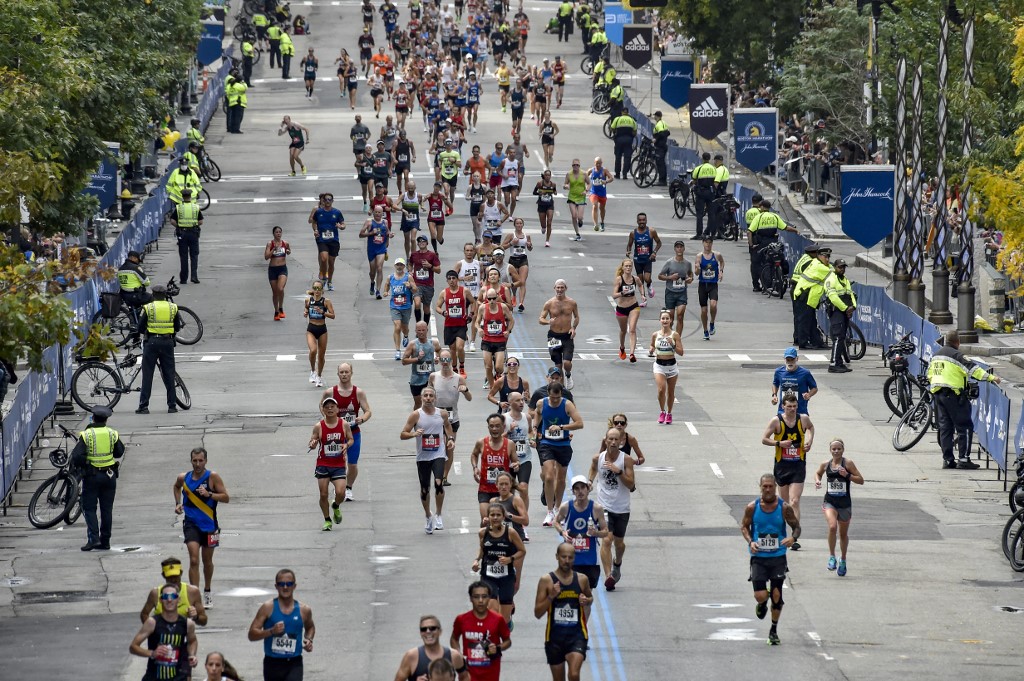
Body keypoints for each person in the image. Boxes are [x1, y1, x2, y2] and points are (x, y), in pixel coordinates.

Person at [740, 473, 801, 646]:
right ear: (760, 487)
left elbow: (796, 527)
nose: (767, 489)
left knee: (776, 594)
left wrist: (793, 538)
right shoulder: (752, 507)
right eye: (764, 486)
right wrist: (750, 541)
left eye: (770, 486)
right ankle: (762, 602)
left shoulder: (784, 507)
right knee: (760, 595)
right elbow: (744, 526)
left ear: (775, 487)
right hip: (758, 557)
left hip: (778, 556)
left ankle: (773, 631)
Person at [928, 329, 1002, 470]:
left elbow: (929, 374)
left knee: (945, 428)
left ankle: (948, 460)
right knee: (965, 427)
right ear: (958, 342)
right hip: (954, 395)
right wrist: (993, 378)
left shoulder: (936, 355)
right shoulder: (957, 356)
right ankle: (963, 459)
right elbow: (975, 371)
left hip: (938, 395)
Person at [173, 447, 229, 607]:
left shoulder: (212, 477)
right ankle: (194, 596)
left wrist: (209, 494)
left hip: (210, 526)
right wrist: (178, 503)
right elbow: (176, 487)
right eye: (194, 461)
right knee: (193, 559)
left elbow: (226, 497)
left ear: (206, 461)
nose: (197, 464)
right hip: (191, 525)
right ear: (191, 461)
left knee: (207, 561)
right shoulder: (184, 478)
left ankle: (207, 591)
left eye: (200, 461)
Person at [534, 542, 593, 681]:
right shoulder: (546, 581)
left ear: (574, 558)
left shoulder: (582, 579)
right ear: (557, 557)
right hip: (554, 638)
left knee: (574, 674)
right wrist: (551, 596)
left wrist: (586, 600)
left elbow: (590, 597)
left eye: (570, 557)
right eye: (563, 557)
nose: (567, 561)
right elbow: (537, 613)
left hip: (577, 636)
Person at [401, 386, 456, 533]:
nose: (428, 398)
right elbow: (403, 433)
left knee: (438, 483)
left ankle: (438, 514)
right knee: (425, 489)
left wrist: (450, 439)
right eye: (425, 396)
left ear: (435, 398)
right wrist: (413, 434)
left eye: (431, 396)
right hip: (423, 456)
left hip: (438, 454)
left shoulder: (442, 413)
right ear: (421, 398)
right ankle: (428, 515)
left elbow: (448, 426)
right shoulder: (416, 415)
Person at [761, 393, 814, 542]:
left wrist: (809, 441)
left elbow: (811, 427)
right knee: (785, 505)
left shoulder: (803, 419)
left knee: (794, 501)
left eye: (794, 406)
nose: (792, 409)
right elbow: (764, 439)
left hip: (798, 465)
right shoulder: (776, 421)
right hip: (782, 466)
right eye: (789, 406)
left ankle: (794, 536)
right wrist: (779, 443)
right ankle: (783, 533)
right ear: (783, 406)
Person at [72, 406, 125, 550]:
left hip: (92, 476)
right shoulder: (112, 433)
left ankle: (94, 539)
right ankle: (105, 541)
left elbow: (77, 456)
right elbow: (119, 452)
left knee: (89, 508)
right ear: (106, 420)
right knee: (106, 510)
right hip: (109, 476)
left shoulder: (87, 435)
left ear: (93, 419)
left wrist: (85, 464)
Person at [248, 569, 316, 680]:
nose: (285, 587)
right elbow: (251, 634)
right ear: (276, 586)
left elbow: (310, 627)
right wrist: (271, 631)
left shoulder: (304, 610)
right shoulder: (267, 608)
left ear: (294, 586)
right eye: (281, 584)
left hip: (294, 663)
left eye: (289, 584)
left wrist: (309, 639)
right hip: (272, 663)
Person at [588, 427, 634, 591]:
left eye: (616, 439)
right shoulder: (598, 458)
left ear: (621, 441)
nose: (613, 442)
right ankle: (608, 576)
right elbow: (593, 468)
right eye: (610, 439)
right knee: (607, 540)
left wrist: (619, 471)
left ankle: (617, 563)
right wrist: (589, 481)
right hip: (603, 506)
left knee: (619, 544)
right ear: (605, 440)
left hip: (621, 508)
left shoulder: (626, 459)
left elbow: (631, 485)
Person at [535, 382, 584, 528]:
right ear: (548, 394)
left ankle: (557, 508)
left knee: (561, 479)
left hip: (563, 444)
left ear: (561, 394)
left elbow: (580, 423)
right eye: (552, 397)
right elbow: (537, 414)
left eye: (557, 397)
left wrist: (562, 427)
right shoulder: (541, 403)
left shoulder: (567, 405)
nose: (555, 400)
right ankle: (549, 511)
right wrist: (534, 427)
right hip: (546, 443)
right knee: (549, 476)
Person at [813, 438, 864, 577]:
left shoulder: (848, 463)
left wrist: (847, 475)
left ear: (843, 450)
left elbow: (861, 480)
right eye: (833, 449)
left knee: (842, 534)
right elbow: (818, 473)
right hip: (830, 502)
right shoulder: (826, 464)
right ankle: (831, 557)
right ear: (830, 450)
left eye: (839, 449)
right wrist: (817, 481)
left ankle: (843, 559)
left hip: (844, 504)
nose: (836, 451)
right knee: (832, 527)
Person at [322, 363, 373, 501]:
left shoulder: (358, 392)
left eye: (346, 372)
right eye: (342, 372)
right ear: (338, 374)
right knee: (335, 463)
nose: (344, 375)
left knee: (352, 464)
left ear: (351, 373)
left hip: (353, 433)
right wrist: (329, 419)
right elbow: (322, 405)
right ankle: (339, 487)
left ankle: (348, 487)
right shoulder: (330, 392)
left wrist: (362, 419)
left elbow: (368, 411)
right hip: (336, 435)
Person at [130, 583, 199, 681]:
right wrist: (152, 653)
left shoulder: (187, 623)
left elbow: (192, 641)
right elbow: (133, 647)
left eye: (173, 596)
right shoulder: (152, 622)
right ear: (160, 600)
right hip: (154, 678)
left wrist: (192, 655)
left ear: (178, 600)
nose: (169, 600)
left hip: (179, 678)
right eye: (166, 597)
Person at [473, 501, 526, 623]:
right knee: (492, 611)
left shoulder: (510, 532)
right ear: (488, 517)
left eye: (498, 515)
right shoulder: (483, 532)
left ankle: (506, 624)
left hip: (506, 577)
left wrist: (510, 559)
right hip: (488, 576)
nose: (495, 517)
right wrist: (476, 560)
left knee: (504, 620)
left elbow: (522, 551)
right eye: (492, 515)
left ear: (503, 517)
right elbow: (482, 548)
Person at [553, 475, 608, 591]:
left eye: (583, 487)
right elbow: (555, 522)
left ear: (588, 489)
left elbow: (605, 532)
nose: (580, 491)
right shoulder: (566, 507)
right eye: (577, 488)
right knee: (572, 593)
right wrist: (562, 532)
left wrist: (595, 533)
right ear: (573, 491)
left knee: (586, 596)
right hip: (571, 559)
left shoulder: (596, 508)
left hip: (590, 560)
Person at [451, 581, 512, 681]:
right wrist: (459, 655)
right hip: (468, 673)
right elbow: (454, 638)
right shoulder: (461, 619)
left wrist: (497, 648)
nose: (480, 601)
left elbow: (507, 641)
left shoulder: (498, 619)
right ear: (470, 598)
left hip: (491, 673)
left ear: (489, 598)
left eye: (484, 597)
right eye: (476, 597)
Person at [309, 396, 354, 530]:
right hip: (323, 464)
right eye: (327, 407)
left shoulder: (344, 424)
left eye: (332, 406)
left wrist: (346, 445)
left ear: (337, 409)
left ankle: (335, 505)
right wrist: (313, 444)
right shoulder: (319, 426)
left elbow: (351, 439)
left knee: (341, 493)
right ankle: (327, 520)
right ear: (323, 410)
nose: (330, 409)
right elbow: (312, 442)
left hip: (339, 464)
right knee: (323, 494)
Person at [136, 285, 182, 415]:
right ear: (165, 295)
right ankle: (172, 406)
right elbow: (177, 327)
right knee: (169, 374)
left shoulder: (148, 308)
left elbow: (140, 327)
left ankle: (144, 406)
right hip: (167, 343)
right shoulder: (173, 307)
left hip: (151, 342)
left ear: (153, 294)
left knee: (148, 375)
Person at [429, 349, 472, 486]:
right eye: (443, 359)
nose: (445, 362)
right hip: (436, 418)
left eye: (448, 360)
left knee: (449, 448)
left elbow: (469, 398)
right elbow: (427, 395)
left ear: (452, 361)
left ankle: (444, 476)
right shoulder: (433, 376)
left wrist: (465, 390)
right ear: (439, 361)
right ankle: (437, 474)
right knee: (437, 448)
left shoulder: (459, 378)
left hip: (452, 419)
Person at [470, 413, 520, 520]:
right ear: (488, 427)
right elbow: (474, 454)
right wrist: (475, 467)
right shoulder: (481, 442)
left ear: (503, 427)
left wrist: (516, 466)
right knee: (485, 519)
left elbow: (516, 462)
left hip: (503, 490)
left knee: (502, 521)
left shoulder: (510, 444)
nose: (494, 429)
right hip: (485, 488)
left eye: (497, 426)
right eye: (491, 426)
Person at [393, 616, 470, 681]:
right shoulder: (411, 656)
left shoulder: (454, 655)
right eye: (423, 629)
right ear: (421, 633)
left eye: (432, 628)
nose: (428, 631)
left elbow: (465, 677)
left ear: (440, 631)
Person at [139, 557, 209, 627]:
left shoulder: (192, 592)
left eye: (175, 576)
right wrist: (153, 629)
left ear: (181, 573)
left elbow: (204, 621)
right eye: (169, 577)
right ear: (163, 575)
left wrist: (196, 617)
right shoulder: (155, 593)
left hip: (182, 633)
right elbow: (144, 614)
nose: (173, 580)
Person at [538, 279, 580, 388]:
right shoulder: (549, 303)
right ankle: (561, 388)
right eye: (558, 287)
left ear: (566, 288)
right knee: (558, 365)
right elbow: (541, 319)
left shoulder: (572, 302)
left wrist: (573, 328)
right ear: (554, 288)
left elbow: (576, 317)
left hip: (567, 336)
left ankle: (568, 375)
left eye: (562, 287)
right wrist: (548, 322)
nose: (560, 290)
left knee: (566, 362)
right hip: (554, 336)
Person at [436, 270, 477, 377]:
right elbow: (437, 307)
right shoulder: (444, 293)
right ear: (447, 281)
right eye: (449, 279)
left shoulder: (464, 291)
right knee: (452, 349)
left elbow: (473, 302)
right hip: (449, 325)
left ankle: (462, 367)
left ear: (457, 279)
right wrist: (443, 312)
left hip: (461, 324)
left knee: (460, 347)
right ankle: (454, 368)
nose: (451, 280)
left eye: (453, 278)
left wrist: (471, 314)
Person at [791, 245, 832, 349]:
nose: (827, 259)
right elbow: (833, 274)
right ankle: (803, 343)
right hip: (804, 295)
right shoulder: (818, 266)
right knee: (804, 320)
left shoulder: (815, 262)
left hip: (809, 296)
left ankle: (816, 342)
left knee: (811, 320)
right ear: (818, 256)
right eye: (825, 257)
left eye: (828, 257)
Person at [650, 310, 685, 424]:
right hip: (659, 365)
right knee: (661, 390)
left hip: (672, 366)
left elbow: (681, 352)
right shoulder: (655, 335)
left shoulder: (675, 335)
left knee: (670, 392)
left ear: (671, 320)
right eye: (663, 318)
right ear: (660, 320)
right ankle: (662, 411)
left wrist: (673, 345)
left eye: (667, 318)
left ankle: (669, 413)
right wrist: (651, 350)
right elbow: (652, 346)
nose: (665, 320)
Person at [477, 286, 514, 389]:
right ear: (486, 299)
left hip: (499, 341)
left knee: (499, 367)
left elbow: (511, 320)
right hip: (487, 340)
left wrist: (508, 330)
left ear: (497, 297)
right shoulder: (483, 308)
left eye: (494, 298)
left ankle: (498, 374)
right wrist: (479, 329)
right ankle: (492, 387)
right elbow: (477, 322)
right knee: (488, 366)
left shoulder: (503, 307)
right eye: (489, 299)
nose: (492, 301)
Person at [824, 258, 856, 373]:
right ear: (835, 267)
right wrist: (845, 308)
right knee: (838, 337)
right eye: (840, 267)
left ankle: (839, 362)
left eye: (843, 267)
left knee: (842, 337)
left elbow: (851, 294)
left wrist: (853, 306)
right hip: (836, 311)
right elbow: (833, 297)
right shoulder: (830, 279)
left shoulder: (845, 279)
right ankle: (833, 363)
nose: (842, 269)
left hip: (845, 311)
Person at [612, 259, 646, 363]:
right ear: (623, 267)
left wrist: (642, 295)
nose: (628, 268)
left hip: (633, 306)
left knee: (632, 330)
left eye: (630, 266)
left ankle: (632, 354)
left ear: (632, 267)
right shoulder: (619, 280)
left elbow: (640, 285)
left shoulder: (635, 279)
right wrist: (622, 293)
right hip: (621, 308)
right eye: (626, 266)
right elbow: (614, 295)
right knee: (623, 331)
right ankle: (622, 347)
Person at [308, 193, 345, 290]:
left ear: (332, 201)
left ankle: (330, 281)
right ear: (323, 201)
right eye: (326, 199)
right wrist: (315, 230)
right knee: (324, 259)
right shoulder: (318, 212)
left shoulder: (337, 212)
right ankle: (324, 276)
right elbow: (314, 222)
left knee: (331, 263)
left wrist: (341, 226)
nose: (328, 201)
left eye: (330, 199)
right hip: (322, 239)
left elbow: (343, 224)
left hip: (333, 240)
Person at [386, 258, 418, 360]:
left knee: (405, 328)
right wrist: (385, 291)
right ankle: (397, 350)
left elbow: (415, 290)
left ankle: (406, 335)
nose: (399, 266)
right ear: (395, 266)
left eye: (401, 265)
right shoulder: (390, 277)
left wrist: (410, 287)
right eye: (397, 265)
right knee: (397, 326)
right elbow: (387, 285)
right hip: (394, 306)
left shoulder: (408, 277)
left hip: (406, 306)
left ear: (404, 266)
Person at [404, 320, 441, 409]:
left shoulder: (433, 343)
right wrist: (417, 358)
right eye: (419, 330)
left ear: (427, 330)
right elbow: (404, 361)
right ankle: (416, 418)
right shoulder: (412, 344)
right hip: (416, 380)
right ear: (415, 331)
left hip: (431, 379)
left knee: (431, 403)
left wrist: (438, 358)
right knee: (419, 404)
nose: (421, 332)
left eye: (423, 330)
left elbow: (440, 351)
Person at [303, 282, 335, 386]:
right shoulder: (308, 300)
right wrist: (305, 312)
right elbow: (306, 308)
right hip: (311, 328)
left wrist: (323, 312)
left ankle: (319, 376)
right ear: (313, 289)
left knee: (321, 356)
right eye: (315, 288)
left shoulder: (326, 301)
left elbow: (333, 315)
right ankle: (313, 371)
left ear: (322, 290)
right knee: (313, 350)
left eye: (319, 288)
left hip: (322, 329)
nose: (317, 290)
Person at [772, 347, 818, 416]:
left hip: (800, 412)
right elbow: (775, 384)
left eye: (792, 360)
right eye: (788, 360)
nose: (790, 362)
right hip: (783, 412)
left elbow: (814, 388)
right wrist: (774, 395)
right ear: (784, 359)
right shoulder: (778, 372)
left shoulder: (805, 373)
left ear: (797, 359)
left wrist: (809, 394)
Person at [171, 189, 203, 285]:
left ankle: (184, 278)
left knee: (183, 256)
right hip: (193, 233)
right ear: (190, 196)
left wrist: (179, 226)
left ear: (182, 196)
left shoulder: (179, 208)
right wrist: (194, 224)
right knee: (194, 255)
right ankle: (194, 276)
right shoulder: (195, 207)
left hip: (182, 234)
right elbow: (201, 221)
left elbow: (172, 221)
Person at [695, 235, 724, 341]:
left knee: (713, 304)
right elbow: (696, 273)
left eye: (710, 242)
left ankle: (712, 322)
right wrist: (698, 268)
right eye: (706, 242)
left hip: (712, 284)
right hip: (703, 285)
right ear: (703, 243)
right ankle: (705, 330)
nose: (708, 244)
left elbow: (722, 262)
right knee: (704, 310)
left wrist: (721, 272)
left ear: (712, 243)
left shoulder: (717, 255)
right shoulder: (699, 256)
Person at [360, 205, 393, 299]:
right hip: (371, 249)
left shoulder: (385, 222)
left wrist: (390, 236)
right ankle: (372, 282)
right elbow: (360, 234)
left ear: (382, 213)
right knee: (372, 271)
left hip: (381, 248)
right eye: (376, 212)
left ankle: (378, 291)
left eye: (379, 212)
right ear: (373, 213)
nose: (378, 214)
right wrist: (371, 233)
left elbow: (387, 232)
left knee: (379, 268)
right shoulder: (369, 222)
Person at [265, 226, 291, 321]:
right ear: (273, 234)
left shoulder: (285, 243)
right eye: (276, 232)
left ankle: (281, 308)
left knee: (280, 288)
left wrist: (288, 251)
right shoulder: (270, 244)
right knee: (275, 292)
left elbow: (289, 251)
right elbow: (266, 257)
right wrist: (273, 249)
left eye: (280, 232)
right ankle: (276, 311)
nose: (278, 234)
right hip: (272, 269)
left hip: (282, 269)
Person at [691, 152, 717, 239]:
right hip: (710, 192)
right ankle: (712, 234)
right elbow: (716, 180)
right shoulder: (714, 169)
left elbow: (694, 180)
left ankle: (699, 234)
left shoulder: (698, 168)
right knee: (711, 213)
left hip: (701, 193)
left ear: (702, 158)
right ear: (709, 158)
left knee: (699, 214)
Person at [424, 182, 454, 251]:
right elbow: (422, 201)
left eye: (438, 187)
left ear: (440, 189)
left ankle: (441, 240)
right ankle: (435, 251)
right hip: (431, 218)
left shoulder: (441, 196)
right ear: (433, 187)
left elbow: (450, 206)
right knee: (433, 235)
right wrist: (425, 198)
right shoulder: (430, 195)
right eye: (436, 186)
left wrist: (446, 199)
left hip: (440, 218)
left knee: (439, 238)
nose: (436, 188)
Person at [399, 181, 425, 260]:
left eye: (412, 189)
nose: (410, 190)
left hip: (415, 220)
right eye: (409, 189)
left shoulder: (418, 195)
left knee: (413, 239)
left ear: (415, 188)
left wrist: (422, 206)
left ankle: (413, 257)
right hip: (405, 221)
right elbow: (394, 204)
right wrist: (402, 210)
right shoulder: (403, 196)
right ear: (407, 188)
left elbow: (421, 202)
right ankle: (407, 257)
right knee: (407, 240)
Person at [586, 157, 612, 232]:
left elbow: (611, 178)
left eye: (599, 163)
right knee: (595, 206)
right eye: (597, 163)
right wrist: (587, 185)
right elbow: (585, 177)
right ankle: (595, 224)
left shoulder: (604, 170)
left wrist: (606, 181)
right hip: (594, 192)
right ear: (594, 163)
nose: (598, 165)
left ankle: (602, 222)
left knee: (602, 208)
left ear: (601, 163)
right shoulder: (591, 170)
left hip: (602, 193)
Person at [562, 159, 586, 240]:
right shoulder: (569, 174)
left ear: (579, 166)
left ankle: (580, 221)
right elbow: (565, 184)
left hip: (581, 197)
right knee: (574, 215)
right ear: (572, 166)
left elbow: (589, 183)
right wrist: (566, 186)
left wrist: (586, 190)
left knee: (580, 217)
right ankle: (577, 233)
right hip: (572, 197)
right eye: (574, 165)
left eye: (577, 165)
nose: (575, 166)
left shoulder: (583, 174)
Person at [610, 108, 637, 180]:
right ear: (627, 112)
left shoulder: (617, 119)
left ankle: (617, 174)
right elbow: (635, 132)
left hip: (619, 140)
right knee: (627, 157)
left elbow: (612, 128)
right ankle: (625, 174)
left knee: (618, 157)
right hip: (628, 140)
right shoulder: (632, 120)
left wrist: (615, 132)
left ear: (622, 112)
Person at [652, 111, 670, 186]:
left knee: (660, 164)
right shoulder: (663, 123)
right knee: (661, 163)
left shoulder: (659, 124)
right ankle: (662, 180)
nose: (654, 117)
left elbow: (662, 133)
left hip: (660, 146)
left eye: (655, 116)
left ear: (658, 116)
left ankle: (662, 181)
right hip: (663, 145)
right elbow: (668, 133)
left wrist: (656, 139)